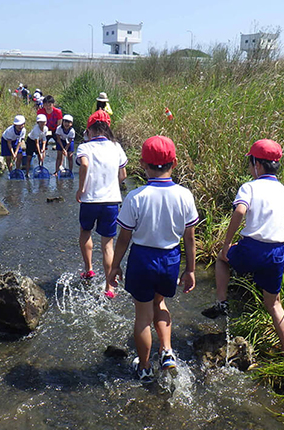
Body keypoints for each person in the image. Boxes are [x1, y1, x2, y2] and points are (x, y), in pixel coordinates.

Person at [108, 135, 198, 384]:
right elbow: (189, 239)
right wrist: (190, 270)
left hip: (142, 258)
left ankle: (145, 367)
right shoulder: (185, 195)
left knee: (142, 317)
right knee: (160, 304)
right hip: (170, 258)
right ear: (175, 163)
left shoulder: (135, 197)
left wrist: (115, 266)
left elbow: (124, 238)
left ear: (143, 164)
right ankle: (167, 351)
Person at [202, 139, 284, 352]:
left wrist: (225, 245)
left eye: (250, 163)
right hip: (277, 252)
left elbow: (240, 211)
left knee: (222, 259)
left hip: (251, 249)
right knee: (274, 304)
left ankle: (222, 302)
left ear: (257, 164)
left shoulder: (249, 187)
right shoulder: (283, 190)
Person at [75, 110, 127, 287]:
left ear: (89, 130)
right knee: (107, 245)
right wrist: (112, 185)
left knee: (85, 232)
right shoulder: (116, 147)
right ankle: (109, 286)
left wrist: (81, 189)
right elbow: (123, 174)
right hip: (111, 201)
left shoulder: (84, 147)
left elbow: (84, 164)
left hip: (90, 200)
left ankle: (89, 269)